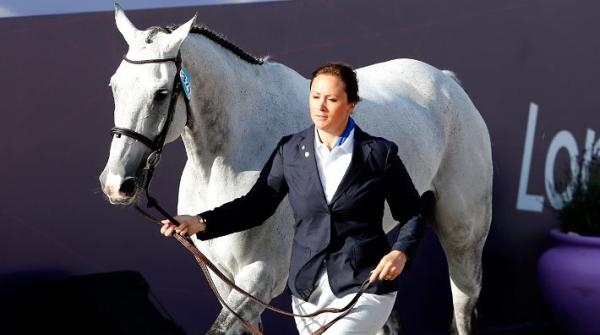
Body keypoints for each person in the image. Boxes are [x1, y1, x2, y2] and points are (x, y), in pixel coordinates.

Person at [160, 62, 427, 334]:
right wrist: (200, 221)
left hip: (365, 284)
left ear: (351, 105)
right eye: (315, 97)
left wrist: (400, 252)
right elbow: (256, 206)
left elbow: (413, 213)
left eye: (331, 99)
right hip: (307, 291)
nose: (320, 107)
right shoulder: (291, 151)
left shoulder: (379, 154)